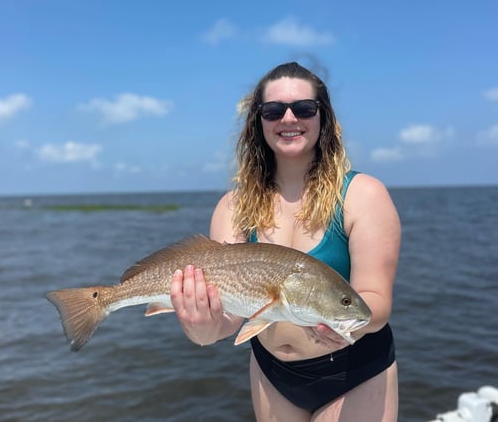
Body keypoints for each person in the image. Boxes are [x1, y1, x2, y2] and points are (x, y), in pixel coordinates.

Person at [170, 61, 401, 421]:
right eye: (274, 110)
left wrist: (349, 327)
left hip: (354, 370)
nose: (289, 118)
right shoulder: (233, 206)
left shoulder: (362, 195)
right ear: (258, 122)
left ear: (323, 117)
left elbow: (375, 301)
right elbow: (232, 316)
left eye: (304, 108)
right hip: (271, 371)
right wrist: (204, 328)